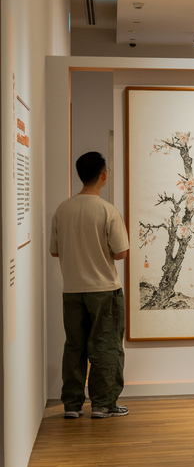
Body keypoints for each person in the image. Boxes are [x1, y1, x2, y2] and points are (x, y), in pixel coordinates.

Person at [50, 151, 130, 419]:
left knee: (74, 346)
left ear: (79, 174)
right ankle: (102, 404)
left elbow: (54, 251)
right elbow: (121, 253)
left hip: (72, 289)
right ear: (104, 176)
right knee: (105, 345)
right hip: (104, 289)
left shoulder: (63, 209)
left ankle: (72, 405)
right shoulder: (108, 210)